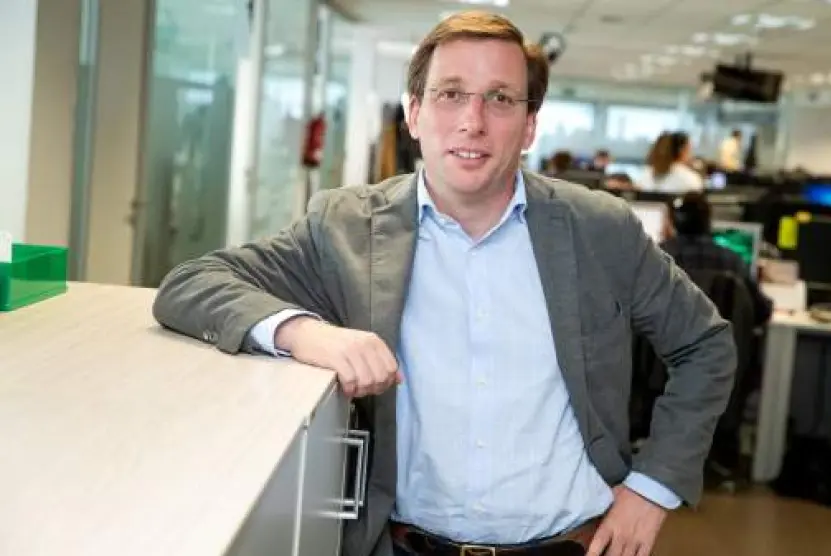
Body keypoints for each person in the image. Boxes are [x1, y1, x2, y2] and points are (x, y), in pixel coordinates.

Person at [152, 11, 735, 556]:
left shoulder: (599, 228)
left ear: (529, 125)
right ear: (414, 113)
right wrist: (307, 333)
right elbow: (193, 283)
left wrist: (654, 487)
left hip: (571, 544)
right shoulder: (348, 227)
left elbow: (706, 344)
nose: (472, 121)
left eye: (500, 98)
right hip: (403, 546)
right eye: (450, 94)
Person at [660, 192, 773, 325]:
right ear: (708, 222)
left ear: (674, 222)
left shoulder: (657, 257)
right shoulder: (732, 261)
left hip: (664, 337)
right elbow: (762, 311)